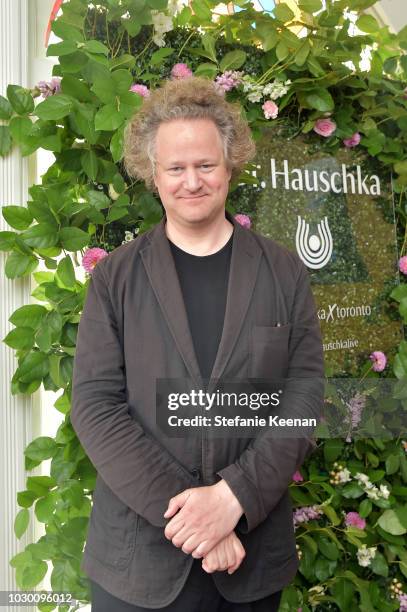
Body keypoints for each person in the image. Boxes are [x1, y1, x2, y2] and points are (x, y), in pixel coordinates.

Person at [71, 76, 324, 612]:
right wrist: (198, 519)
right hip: (137, 567)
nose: (192, 182)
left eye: (205, 165)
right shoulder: (115, 278)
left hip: (251, 565)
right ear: (153, 176)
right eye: (176, 168)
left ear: (230, 166)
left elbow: (301, 398)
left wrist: (233, 498)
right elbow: (96, 408)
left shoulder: (284, 273)